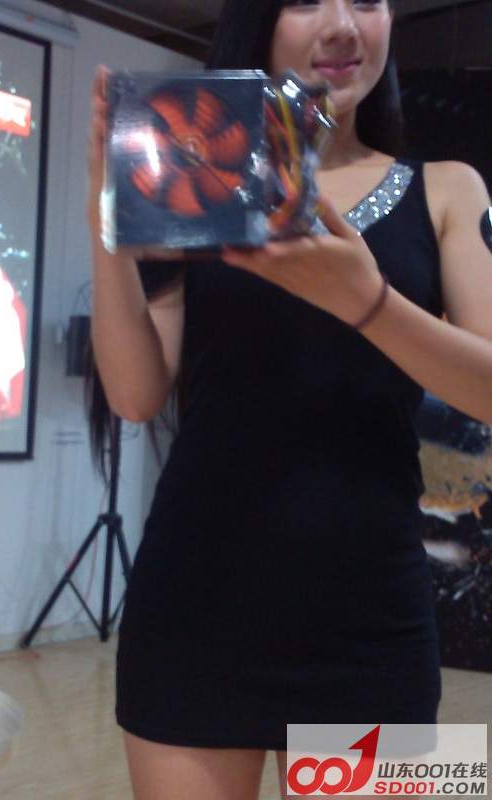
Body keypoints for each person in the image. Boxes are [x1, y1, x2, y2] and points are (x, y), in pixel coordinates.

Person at [86, 0, 492, 797]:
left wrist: (369, 303)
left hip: (373, 620)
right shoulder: (200, 181)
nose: (343, 25)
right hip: (194, 603)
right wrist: (109, 211)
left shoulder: (446, 188)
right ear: (261, 22)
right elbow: (135, 395)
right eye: (305, 0)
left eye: (367, 0)